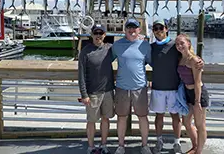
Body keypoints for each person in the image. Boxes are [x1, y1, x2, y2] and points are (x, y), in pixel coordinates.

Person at [150, 20, 203, 154]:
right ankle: (159, 140)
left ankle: (177, 142)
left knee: (176, 117)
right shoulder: (150, 47)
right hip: (157, 87)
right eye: (155, 28)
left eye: (160, 27)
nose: (158, 30)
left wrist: (201, 61)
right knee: (159, 116)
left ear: (166, 29)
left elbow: (189, 55)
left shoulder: (175, 45)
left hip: (174, 88)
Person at [112, 18, 152, 154]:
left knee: (143, 117)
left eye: (134, 27)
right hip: (121, 87)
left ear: (139, 30)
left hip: (140, 88)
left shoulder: (145, 45)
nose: (131, 30)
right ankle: (121, 145)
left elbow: (152, 63)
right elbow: (106, 60)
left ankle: (145, 145)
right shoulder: (116, 45)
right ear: (125, 30)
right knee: (121, 117)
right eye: (129, 27)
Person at [78, 24, 114, 154]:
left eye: (101, 33)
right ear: (92, 35)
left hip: (108, 91)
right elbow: (81, 74)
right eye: (96, 33)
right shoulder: (85, 51)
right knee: (91, 121)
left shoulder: (110, 49)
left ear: (105, 35)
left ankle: (104, 145)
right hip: (92, 93)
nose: (98, 35)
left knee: (106, 119)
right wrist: (84, 94)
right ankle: (91, 146)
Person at [175, 33, 209, 154]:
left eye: (182, 43)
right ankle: (195, 145)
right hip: (187, 93)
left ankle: (198, 151)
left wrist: (197, 102)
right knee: (186, 122)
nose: (179, 46)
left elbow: (198, 82)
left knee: (200, 124)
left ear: (188, 43)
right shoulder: (180, 58)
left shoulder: (194, 60)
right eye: (177, 44)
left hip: (198, 94)